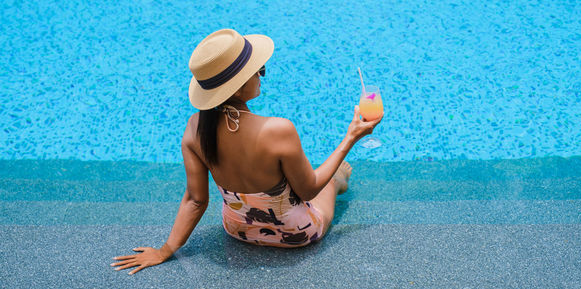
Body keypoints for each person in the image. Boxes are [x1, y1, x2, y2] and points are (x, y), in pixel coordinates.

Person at [111, 29, 383, 275]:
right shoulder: (278, 130)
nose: (261, 73)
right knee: (329, 180)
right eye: (258, 70)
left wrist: (165, 250)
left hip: (238, 230)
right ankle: (338, 182)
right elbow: (308, 190)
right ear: (239, 85)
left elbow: (195, 200)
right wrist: (351, 137)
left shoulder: (194, 129)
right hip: (297, 235)